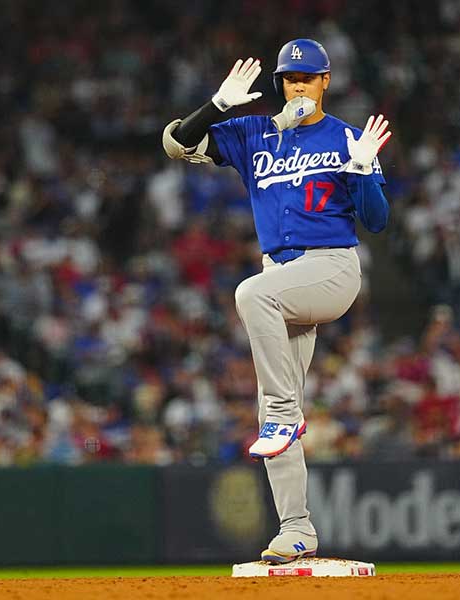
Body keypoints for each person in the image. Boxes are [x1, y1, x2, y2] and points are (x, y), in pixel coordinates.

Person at [162, 38, 392, 563]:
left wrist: (360, 171)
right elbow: (175, 144)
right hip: (282, 277)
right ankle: (297, 530)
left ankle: (284, 416)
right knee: (269, 402)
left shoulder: (346, 138)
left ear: (326, 81)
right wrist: (216, 107)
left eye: (307, 78)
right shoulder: (255, 132)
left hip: (330, 268)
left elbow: (377, 222)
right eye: (290, 78)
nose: (298, 86)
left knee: (250, 296)